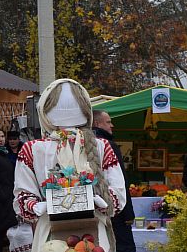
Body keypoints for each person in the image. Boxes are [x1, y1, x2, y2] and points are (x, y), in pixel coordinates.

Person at [13, 78, 126, 224]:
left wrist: (38, 205)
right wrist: (97, 201)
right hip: (95, 230)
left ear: (43, 112)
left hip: (51, 230)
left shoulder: (32, 149)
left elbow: (22, 197)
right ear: (86, 110)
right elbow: (118, 196)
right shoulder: (102, 145)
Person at [91, 109, 137, 252]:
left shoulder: (84, 143)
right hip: (112, 207)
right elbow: (120, 182)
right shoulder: (106, 145)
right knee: (124, 248)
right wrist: (127, 213)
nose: (112, 125)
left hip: (94, 207)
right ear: (97, 123)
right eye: (108, 122)